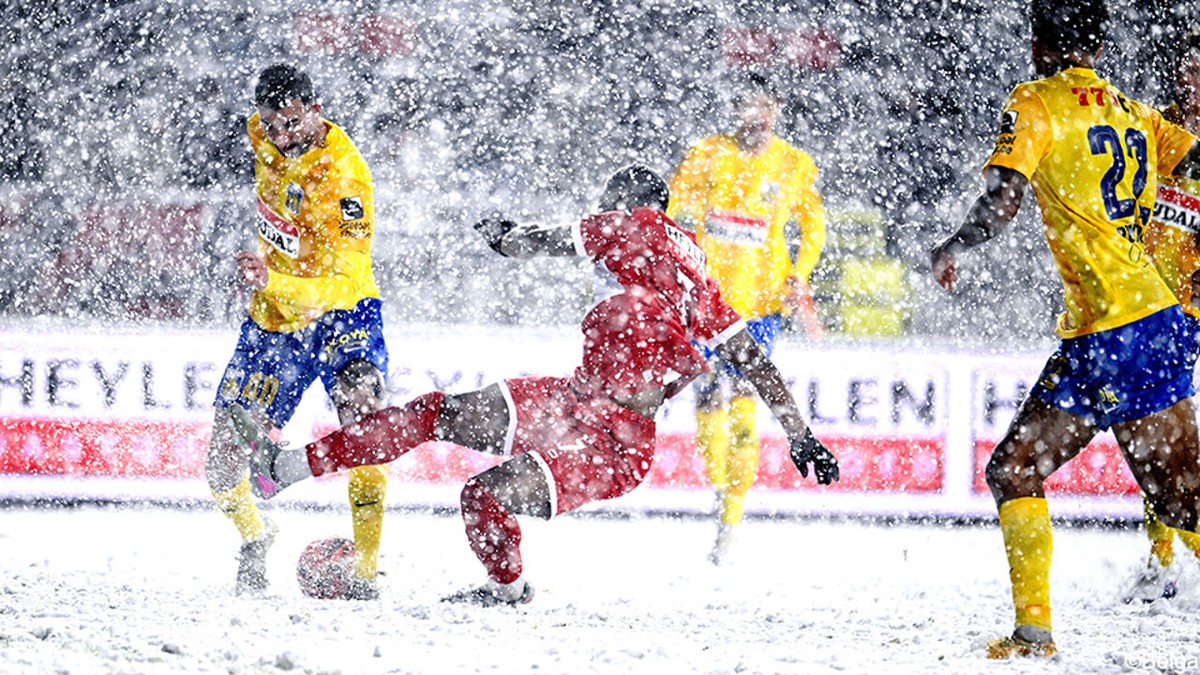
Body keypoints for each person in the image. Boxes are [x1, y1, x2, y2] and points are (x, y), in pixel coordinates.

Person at [227, 165, 840, 606]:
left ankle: (509, 591)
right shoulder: (694, 268)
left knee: (480, 493)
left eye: (606, 204)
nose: (601, 220)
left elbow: (541, 242)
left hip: (613, 442)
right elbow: (749, 356)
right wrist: (800, 432)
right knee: (436, 415)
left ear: (627, 202)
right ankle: (284, 469)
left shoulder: (630, 225)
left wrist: (505, 237)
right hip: (574, 400)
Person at [929, 0, 1200, 658]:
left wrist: (953, 246)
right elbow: (1192, 162)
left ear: (1038, 45)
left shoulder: (1036, 102)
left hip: (1107, 330)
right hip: (1162, 319)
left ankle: (1033, 633)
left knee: (1016, 470)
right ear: (1101, 46)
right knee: (1183, 498)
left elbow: (1003, 199)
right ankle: (1033, 633)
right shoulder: (1131, 111)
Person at [204, 64, 391, 600]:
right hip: (274, 321)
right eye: (271, 124)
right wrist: (274, 284)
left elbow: (344, 281)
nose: (280, 136)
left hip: (341, 312)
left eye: (291, 123)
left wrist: (275, 279)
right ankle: (256, 537)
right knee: (221, 458)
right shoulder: (261, 132)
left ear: (316, 109)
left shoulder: (345, 180)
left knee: (366, 422)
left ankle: (364, 571)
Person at [667, 74, 827, 564]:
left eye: (765, 106)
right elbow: (674, 210)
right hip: (709, 300)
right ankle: (722, 490)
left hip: (760, 304)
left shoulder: (794, 164)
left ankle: (732, 511)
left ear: (777, 111)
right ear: (735, 111)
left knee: (741, 393)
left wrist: (799, 272)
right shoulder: (708, 154)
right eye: (747, 107)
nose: (756, 117)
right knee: (710, 393)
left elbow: (814, 223)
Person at [1130, 30, 1200, 603]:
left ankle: (1171, 555)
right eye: (1192, 70)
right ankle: (1160, 557)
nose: (1196, 81)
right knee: (1161, 431)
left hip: (1190, 302)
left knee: (1169, 434)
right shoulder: (1156, 129)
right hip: (1151, 300)